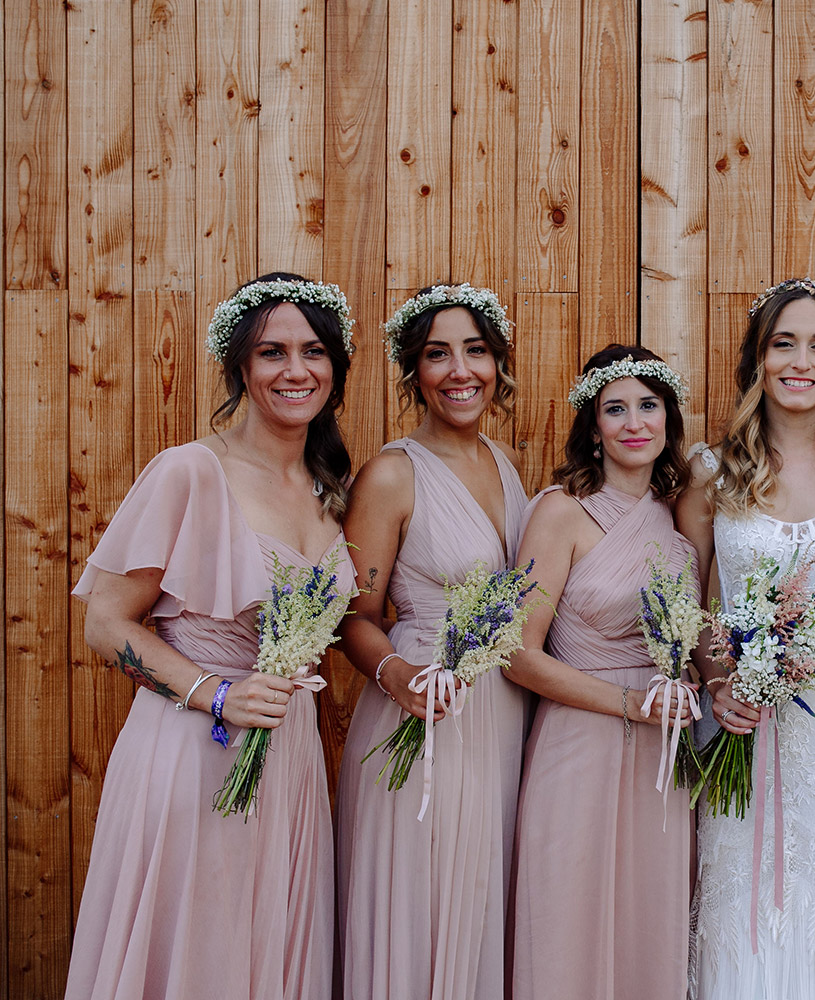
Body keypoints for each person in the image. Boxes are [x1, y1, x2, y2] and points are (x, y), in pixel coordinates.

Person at [66, 273, 357, 1000]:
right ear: (239, 366)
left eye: (313, 352)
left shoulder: (328, 489)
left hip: (288, 755)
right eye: (271, 353)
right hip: (197, 748)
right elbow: (105, 621)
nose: (295, 370)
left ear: (335, 366)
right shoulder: (191, 471)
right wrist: (216, 693)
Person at [679, 278, 815, 999]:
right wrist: (722, 682)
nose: (801, 362)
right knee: (742, 881)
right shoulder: (712, 473)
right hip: (741, 716)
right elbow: (692, 605)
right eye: (783, 344)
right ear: (758, 360)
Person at [334, 284, 529, 1000]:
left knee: (480, 902)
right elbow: (353, 616)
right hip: (424, 710)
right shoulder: (392, 474)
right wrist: (397, 675)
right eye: (438, 355)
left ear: (497, 363)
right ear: (414, 371)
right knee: (427, 898)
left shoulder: (505, 464)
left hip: (502, 712)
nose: (460, 371)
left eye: (475, 351)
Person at [507, 345, 699, 1000]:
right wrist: (630, 702)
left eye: (648, 405)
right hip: (581, 741)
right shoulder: (561, 512)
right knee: (568, 920)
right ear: (593, 427)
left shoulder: (676, 518)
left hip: (662, 753)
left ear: (669, 419)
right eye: (615, 409)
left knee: (649, 924)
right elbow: (517, 654)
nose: (634, 423)